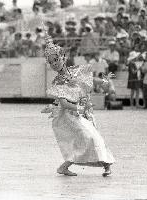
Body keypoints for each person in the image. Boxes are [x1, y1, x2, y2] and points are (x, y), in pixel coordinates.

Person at [42, 25, 115, 177]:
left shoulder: (76, 71)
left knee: (92, 138)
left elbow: (90, 79)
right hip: (69, 116)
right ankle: (104, 165)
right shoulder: (57, 82)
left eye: (56, 59)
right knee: (89, 138)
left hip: (82, 112)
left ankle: (106, 165)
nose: (54, 63)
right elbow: (63, 103)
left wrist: (105, 81)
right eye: (51, 62)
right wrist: (79, 108)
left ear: (63, 57)